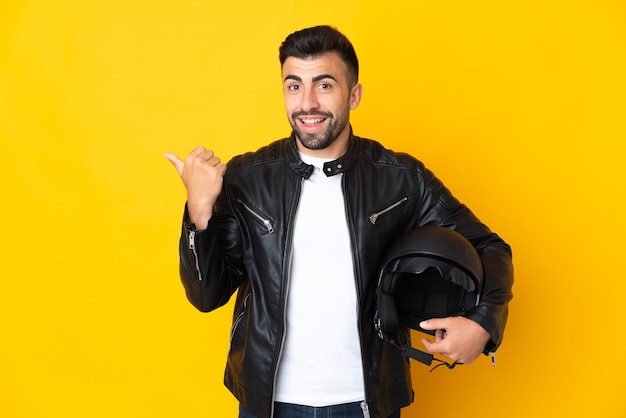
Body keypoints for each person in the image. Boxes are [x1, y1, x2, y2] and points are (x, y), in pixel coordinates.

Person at [165, 25, 513, 418]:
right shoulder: (247, 178)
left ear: (354, 94)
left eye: (324, 85)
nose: (307, 103)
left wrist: (484, 324)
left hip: (366, 402)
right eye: (294, 86)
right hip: (268, 403)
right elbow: (205, 296)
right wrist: (199, 210)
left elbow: (490, 248)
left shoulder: (401, 179)